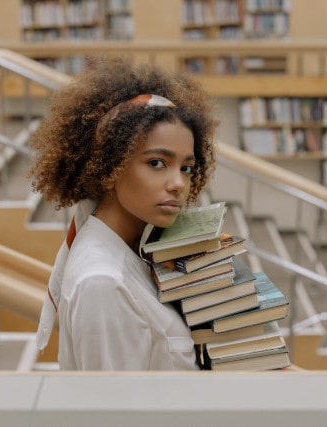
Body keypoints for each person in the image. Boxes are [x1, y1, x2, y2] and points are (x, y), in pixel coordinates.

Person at [30, 56, 218, 371]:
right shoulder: (103, 282)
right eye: (157, 163)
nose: (178, 184)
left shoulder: (137, 248)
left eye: (187, 168)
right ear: (110, 170)